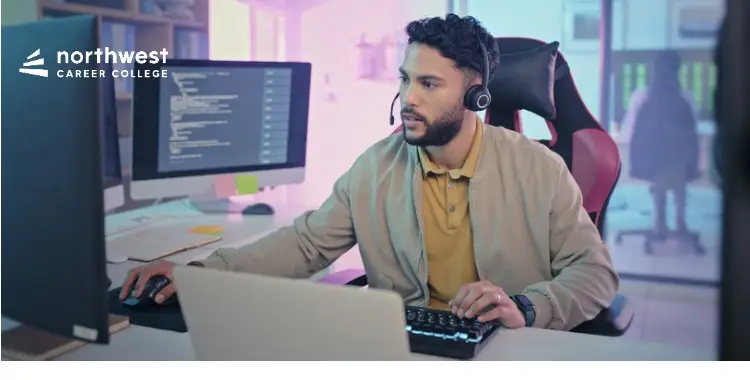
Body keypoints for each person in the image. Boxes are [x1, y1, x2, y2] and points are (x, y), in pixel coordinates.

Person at [121, 14, 619, 331]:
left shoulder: (539, 169)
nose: (409, 98)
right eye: (405, 79)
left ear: (475, 95)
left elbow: (595, 274)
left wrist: (528, 307)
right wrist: (201, 274)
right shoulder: (376, 167)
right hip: (406, 353)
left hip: (506, 353)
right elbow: (305, 245)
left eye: (428, 84)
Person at [623, 51, 701, 238]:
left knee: (667, 174)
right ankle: (676, 222)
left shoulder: (641, 97)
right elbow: (694, 133)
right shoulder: (685, 98)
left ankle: (661, 223)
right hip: (672, 160)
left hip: (651, 158)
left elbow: (629, 131)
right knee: (673, 176)